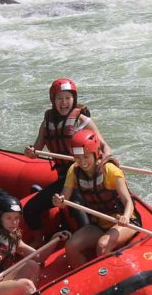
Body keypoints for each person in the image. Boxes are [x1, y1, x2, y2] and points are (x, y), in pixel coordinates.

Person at [23, 78, 111, 235]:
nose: (64, 102)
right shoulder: (46, 123)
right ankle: (39, 239)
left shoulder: (82, 120)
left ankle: (87, 242)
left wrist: (106, 159)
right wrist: (30, 151)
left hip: (82, 175)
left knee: (76, 205)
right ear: (53, 100)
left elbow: (105, 146)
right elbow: (35, 150)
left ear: (74, 99)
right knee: (30, 209)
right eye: (59, 98)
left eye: (67, 98)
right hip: (64, 179)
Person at [52, 129, 140, 267]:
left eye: (86, 157)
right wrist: (58, 200)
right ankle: (85, 278)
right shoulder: (74, 171)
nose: (82, 162)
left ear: (96, 154)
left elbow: (127, 201)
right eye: (78, 158)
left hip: (126, 222)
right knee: (71, 246)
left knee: (102, 244)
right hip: (100, 223)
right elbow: (64, 201)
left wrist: (126, 217)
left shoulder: (110, 171)